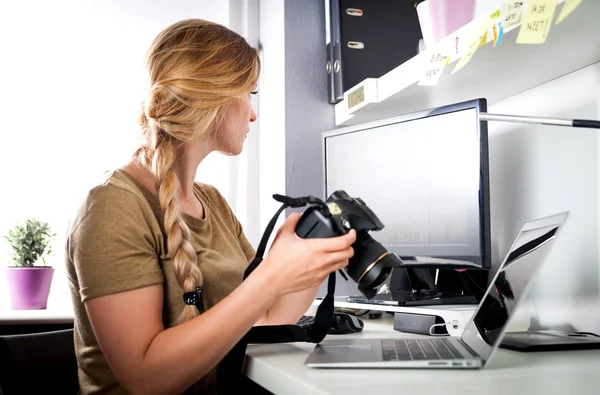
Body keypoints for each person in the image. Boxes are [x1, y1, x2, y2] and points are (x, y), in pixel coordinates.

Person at [65, 18, 356, 395]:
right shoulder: (110, 207)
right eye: (249, 93)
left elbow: (265, 317)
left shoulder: (211, 201)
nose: (253, 113)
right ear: (214, 97)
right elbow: (145, 379)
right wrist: (271, 275)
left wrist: (314, 258)